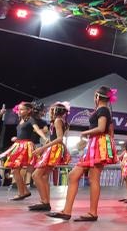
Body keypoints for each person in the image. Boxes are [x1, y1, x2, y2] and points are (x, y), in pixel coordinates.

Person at [47, 86, 117, 222]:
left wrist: (84, 133)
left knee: (92, 178)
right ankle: (68, 211)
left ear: (97, 96)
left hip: (98, 144)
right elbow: (109, 130)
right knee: (76, 176)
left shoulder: (103, 109)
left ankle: (91, 213)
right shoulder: (104, 110)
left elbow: (102, 128)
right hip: (96, 144)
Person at [28, 102, 70, 212]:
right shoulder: (60, 121)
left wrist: (43, 148)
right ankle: (45, 202)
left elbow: (60, 138)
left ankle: (44, 202)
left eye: (51, 110)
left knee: (36, 175)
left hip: (54, 148)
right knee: (44, 176)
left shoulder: (57, 120)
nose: (49, 113)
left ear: (56, 111)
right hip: (54, 148)